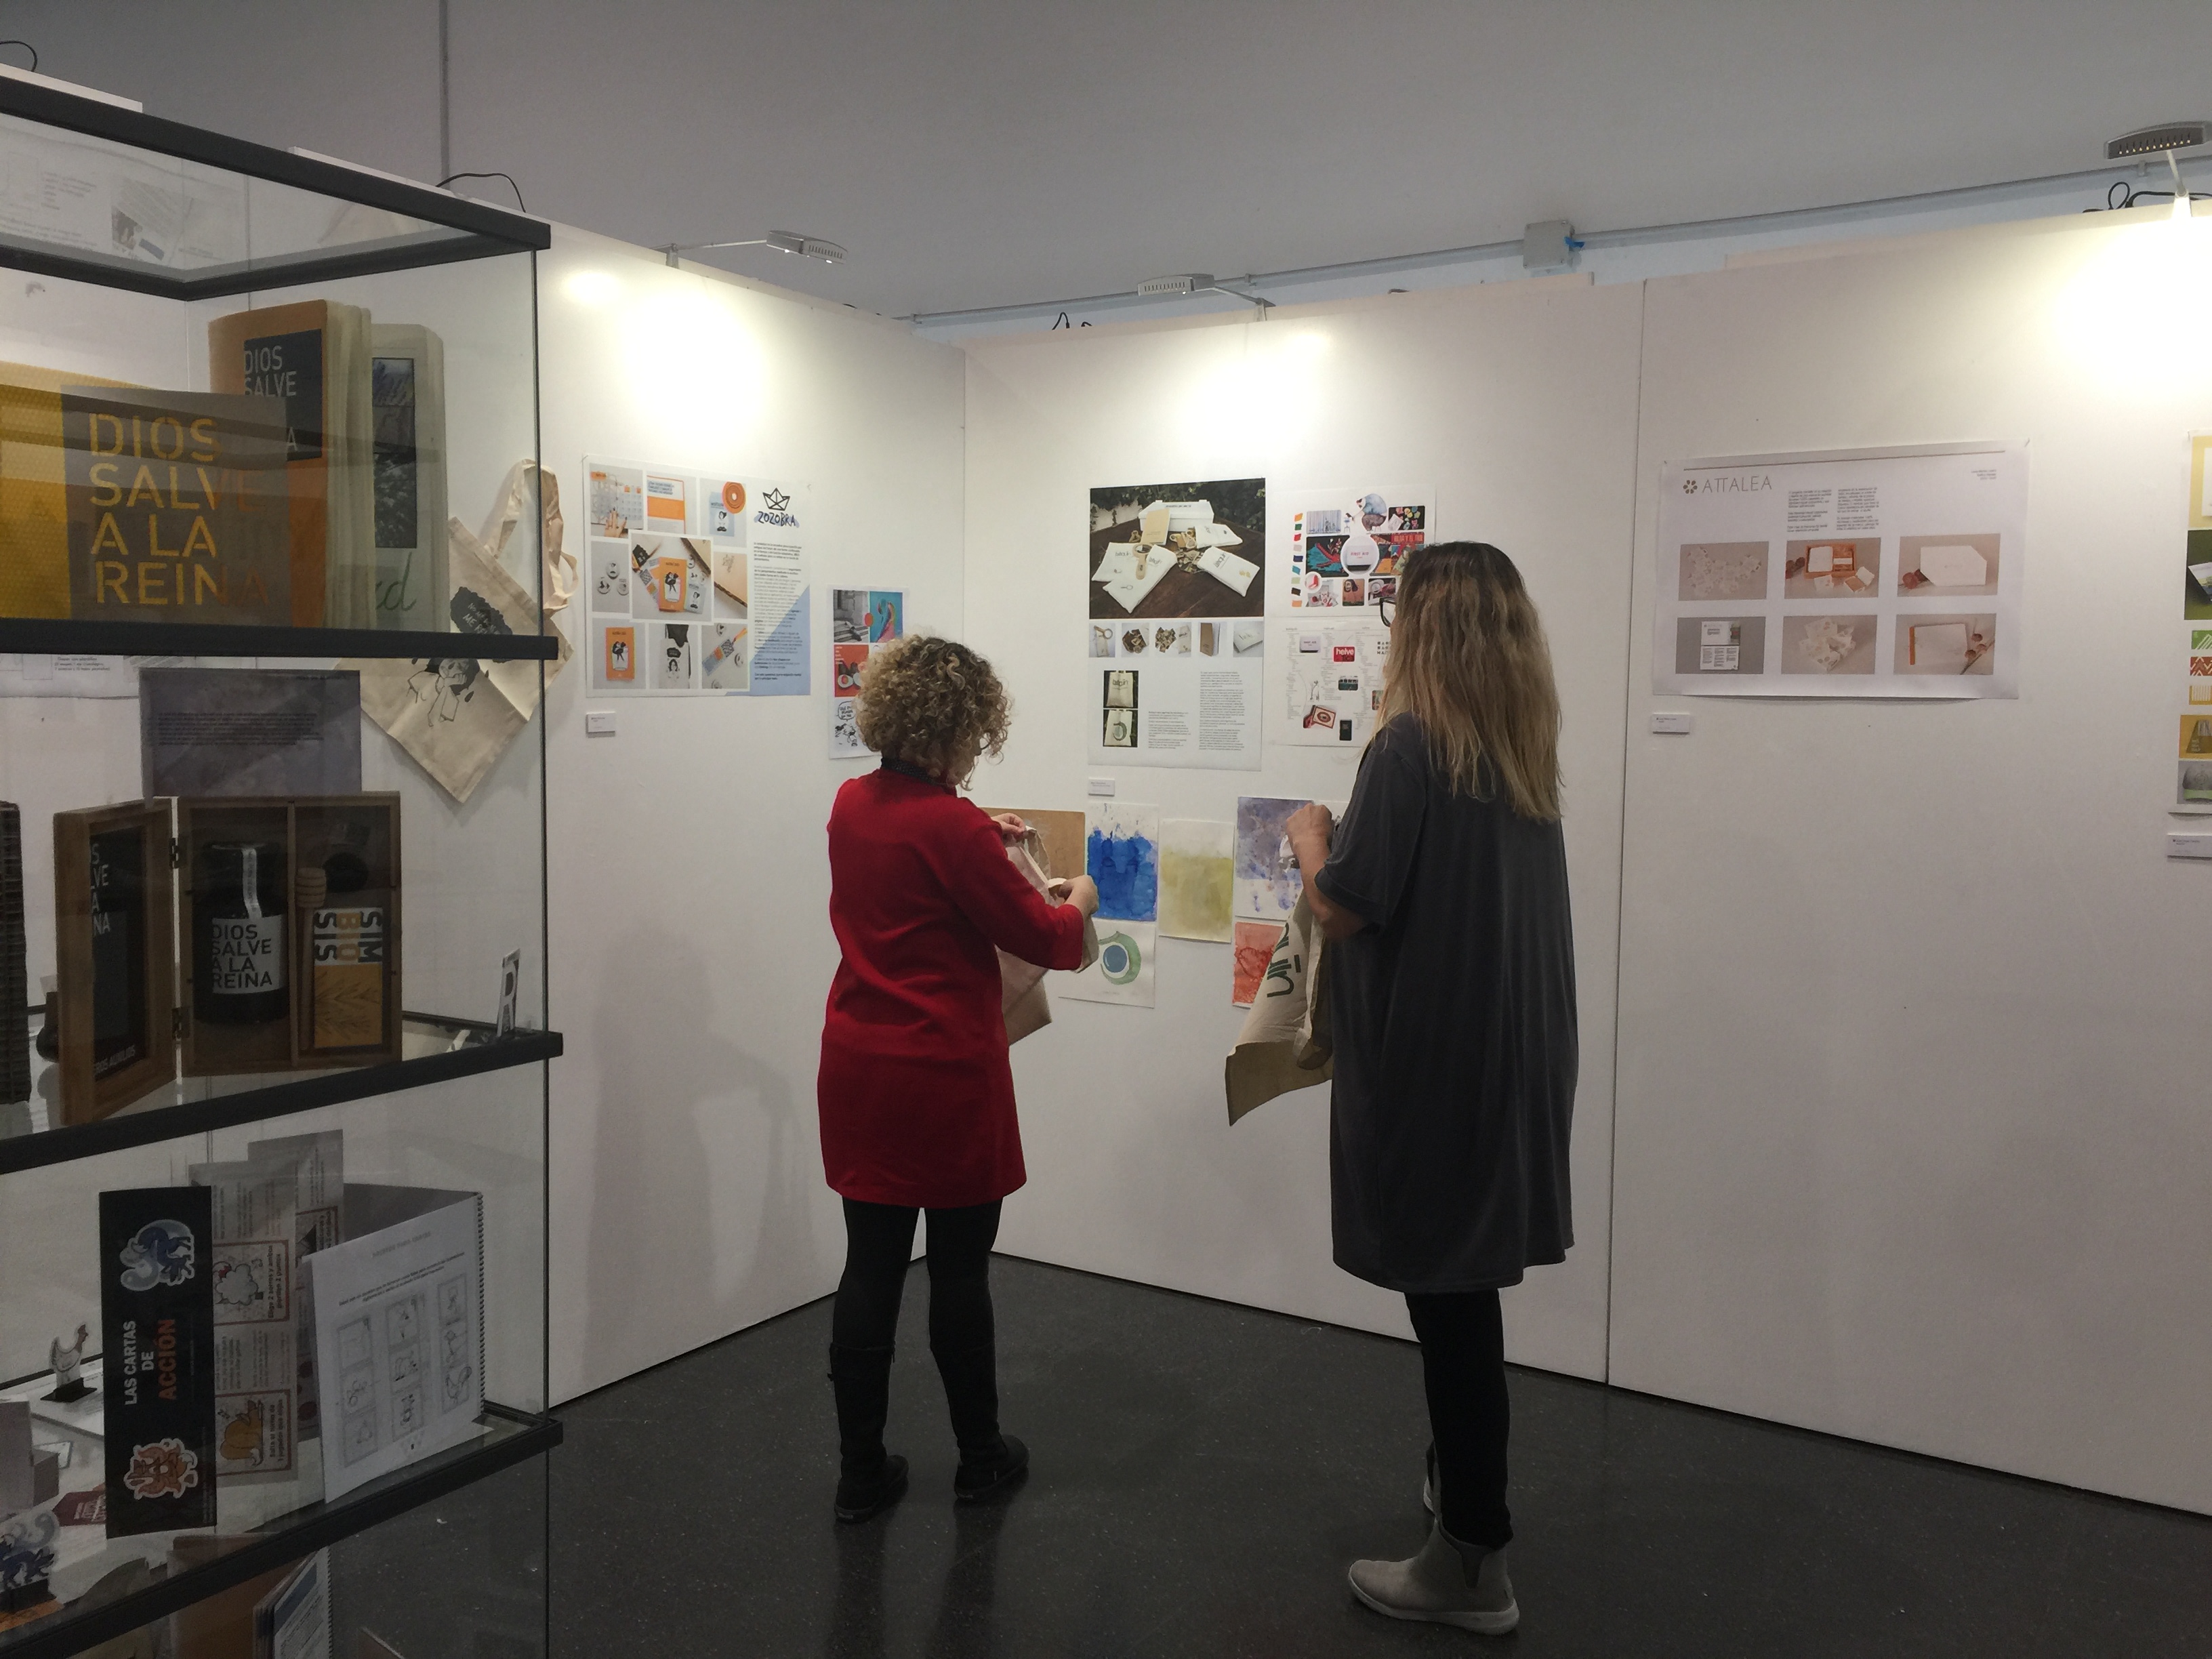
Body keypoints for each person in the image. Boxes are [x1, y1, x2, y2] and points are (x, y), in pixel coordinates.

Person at [1284, 541, 1578, 1636]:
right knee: (1465, 1294)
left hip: (1435, 1060)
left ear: (1423, 628)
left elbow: (1348, 904)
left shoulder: (1409, 747)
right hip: (1509, 1052)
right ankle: (1459, 1491)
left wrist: (1311, 841)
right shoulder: (1517, 750)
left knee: (1450, 1309)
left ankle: (1471, 1563)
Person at [817, 634, 1099, 1524]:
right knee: (960, 1273)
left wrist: (984, 830)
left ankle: (860, 1474)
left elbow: (922, 852)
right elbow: (1051, 940)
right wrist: (1082, 898)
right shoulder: (955, 828)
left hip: (860, 1066)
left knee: (870, 1270)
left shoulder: (850, 804)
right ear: (961, 725)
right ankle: (980, 1457)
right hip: (944, 1075)